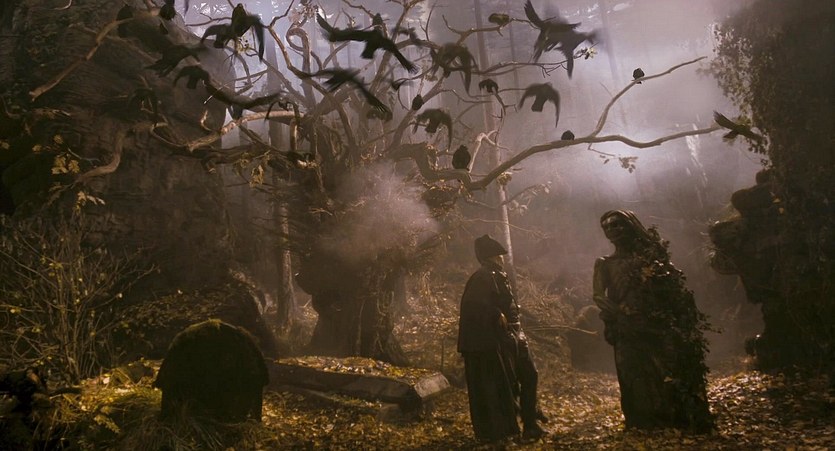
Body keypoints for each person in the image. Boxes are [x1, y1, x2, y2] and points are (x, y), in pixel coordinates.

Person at [593, 210, 714, 433]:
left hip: (656, 323)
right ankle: (642, 421)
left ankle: (674, 417)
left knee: (663, 368)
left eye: (616, 224)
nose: (611, 230)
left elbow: (671, 287)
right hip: (625, 327)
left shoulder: (650, 259)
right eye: (606, 227)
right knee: (632, 372)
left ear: (629, 226)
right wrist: (620, 313)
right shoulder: (604, 263)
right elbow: (599, 295)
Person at [458, 235, 546, 443]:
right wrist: (496, 313)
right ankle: (507, 429)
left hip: (515, 335)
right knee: (506, 383)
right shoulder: (482, 276)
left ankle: (530, 424)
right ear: (491, 257)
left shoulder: (497, 275)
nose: (501, 258)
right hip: (501, 339)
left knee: (530, 375)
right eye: (498, 255)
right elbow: (474, 306)